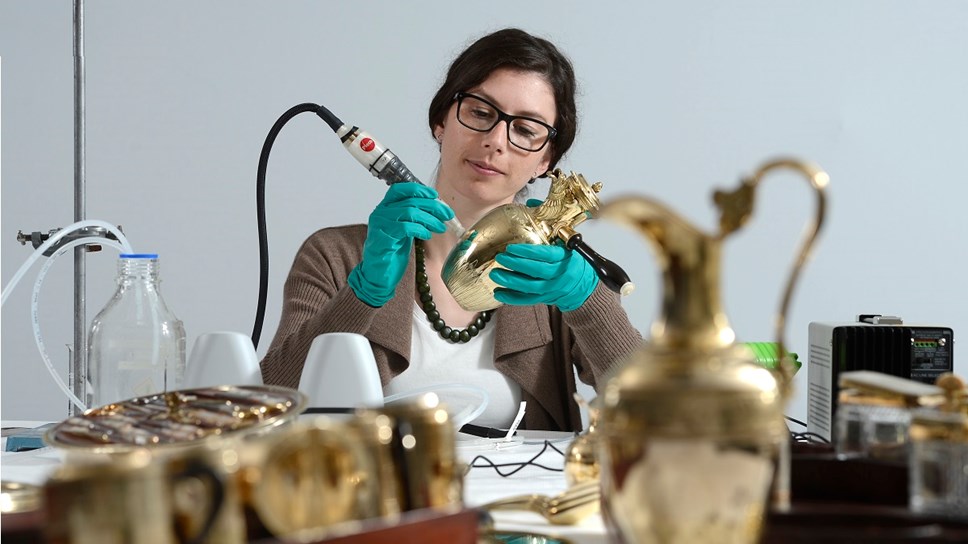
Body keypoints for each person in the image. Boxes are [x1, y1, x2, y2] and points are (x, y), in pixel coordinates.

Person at [260, 27, 641, 432]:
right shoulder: (333, 254)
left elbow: (656, 409)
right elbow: (271, 403)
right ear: (441, 121)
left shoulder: (552, 274)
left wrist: (587, 302)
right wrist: (361, 294)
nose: (496, 141)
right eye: (480, 112)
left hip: (520, 496)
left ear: (546, 160)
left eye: (526, 130)